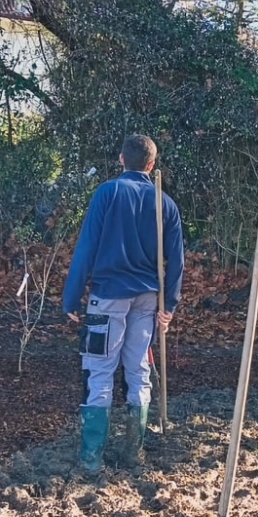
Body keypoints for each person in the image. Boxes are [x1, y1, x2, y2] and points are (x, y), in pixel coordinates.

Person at [63, 134, 184, 475]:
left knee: (99, 372)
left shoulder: (108, 192)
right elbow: (176, 261)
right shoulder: (166, 204)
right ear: (151, 165)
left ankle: (90, 459)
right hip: (147, 300)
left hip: (108, 296)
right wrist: (169, 304)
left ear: (120, 160)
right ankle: (134, 452)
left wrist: (72, 296)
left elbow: (87, 245)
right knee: (138, 370)